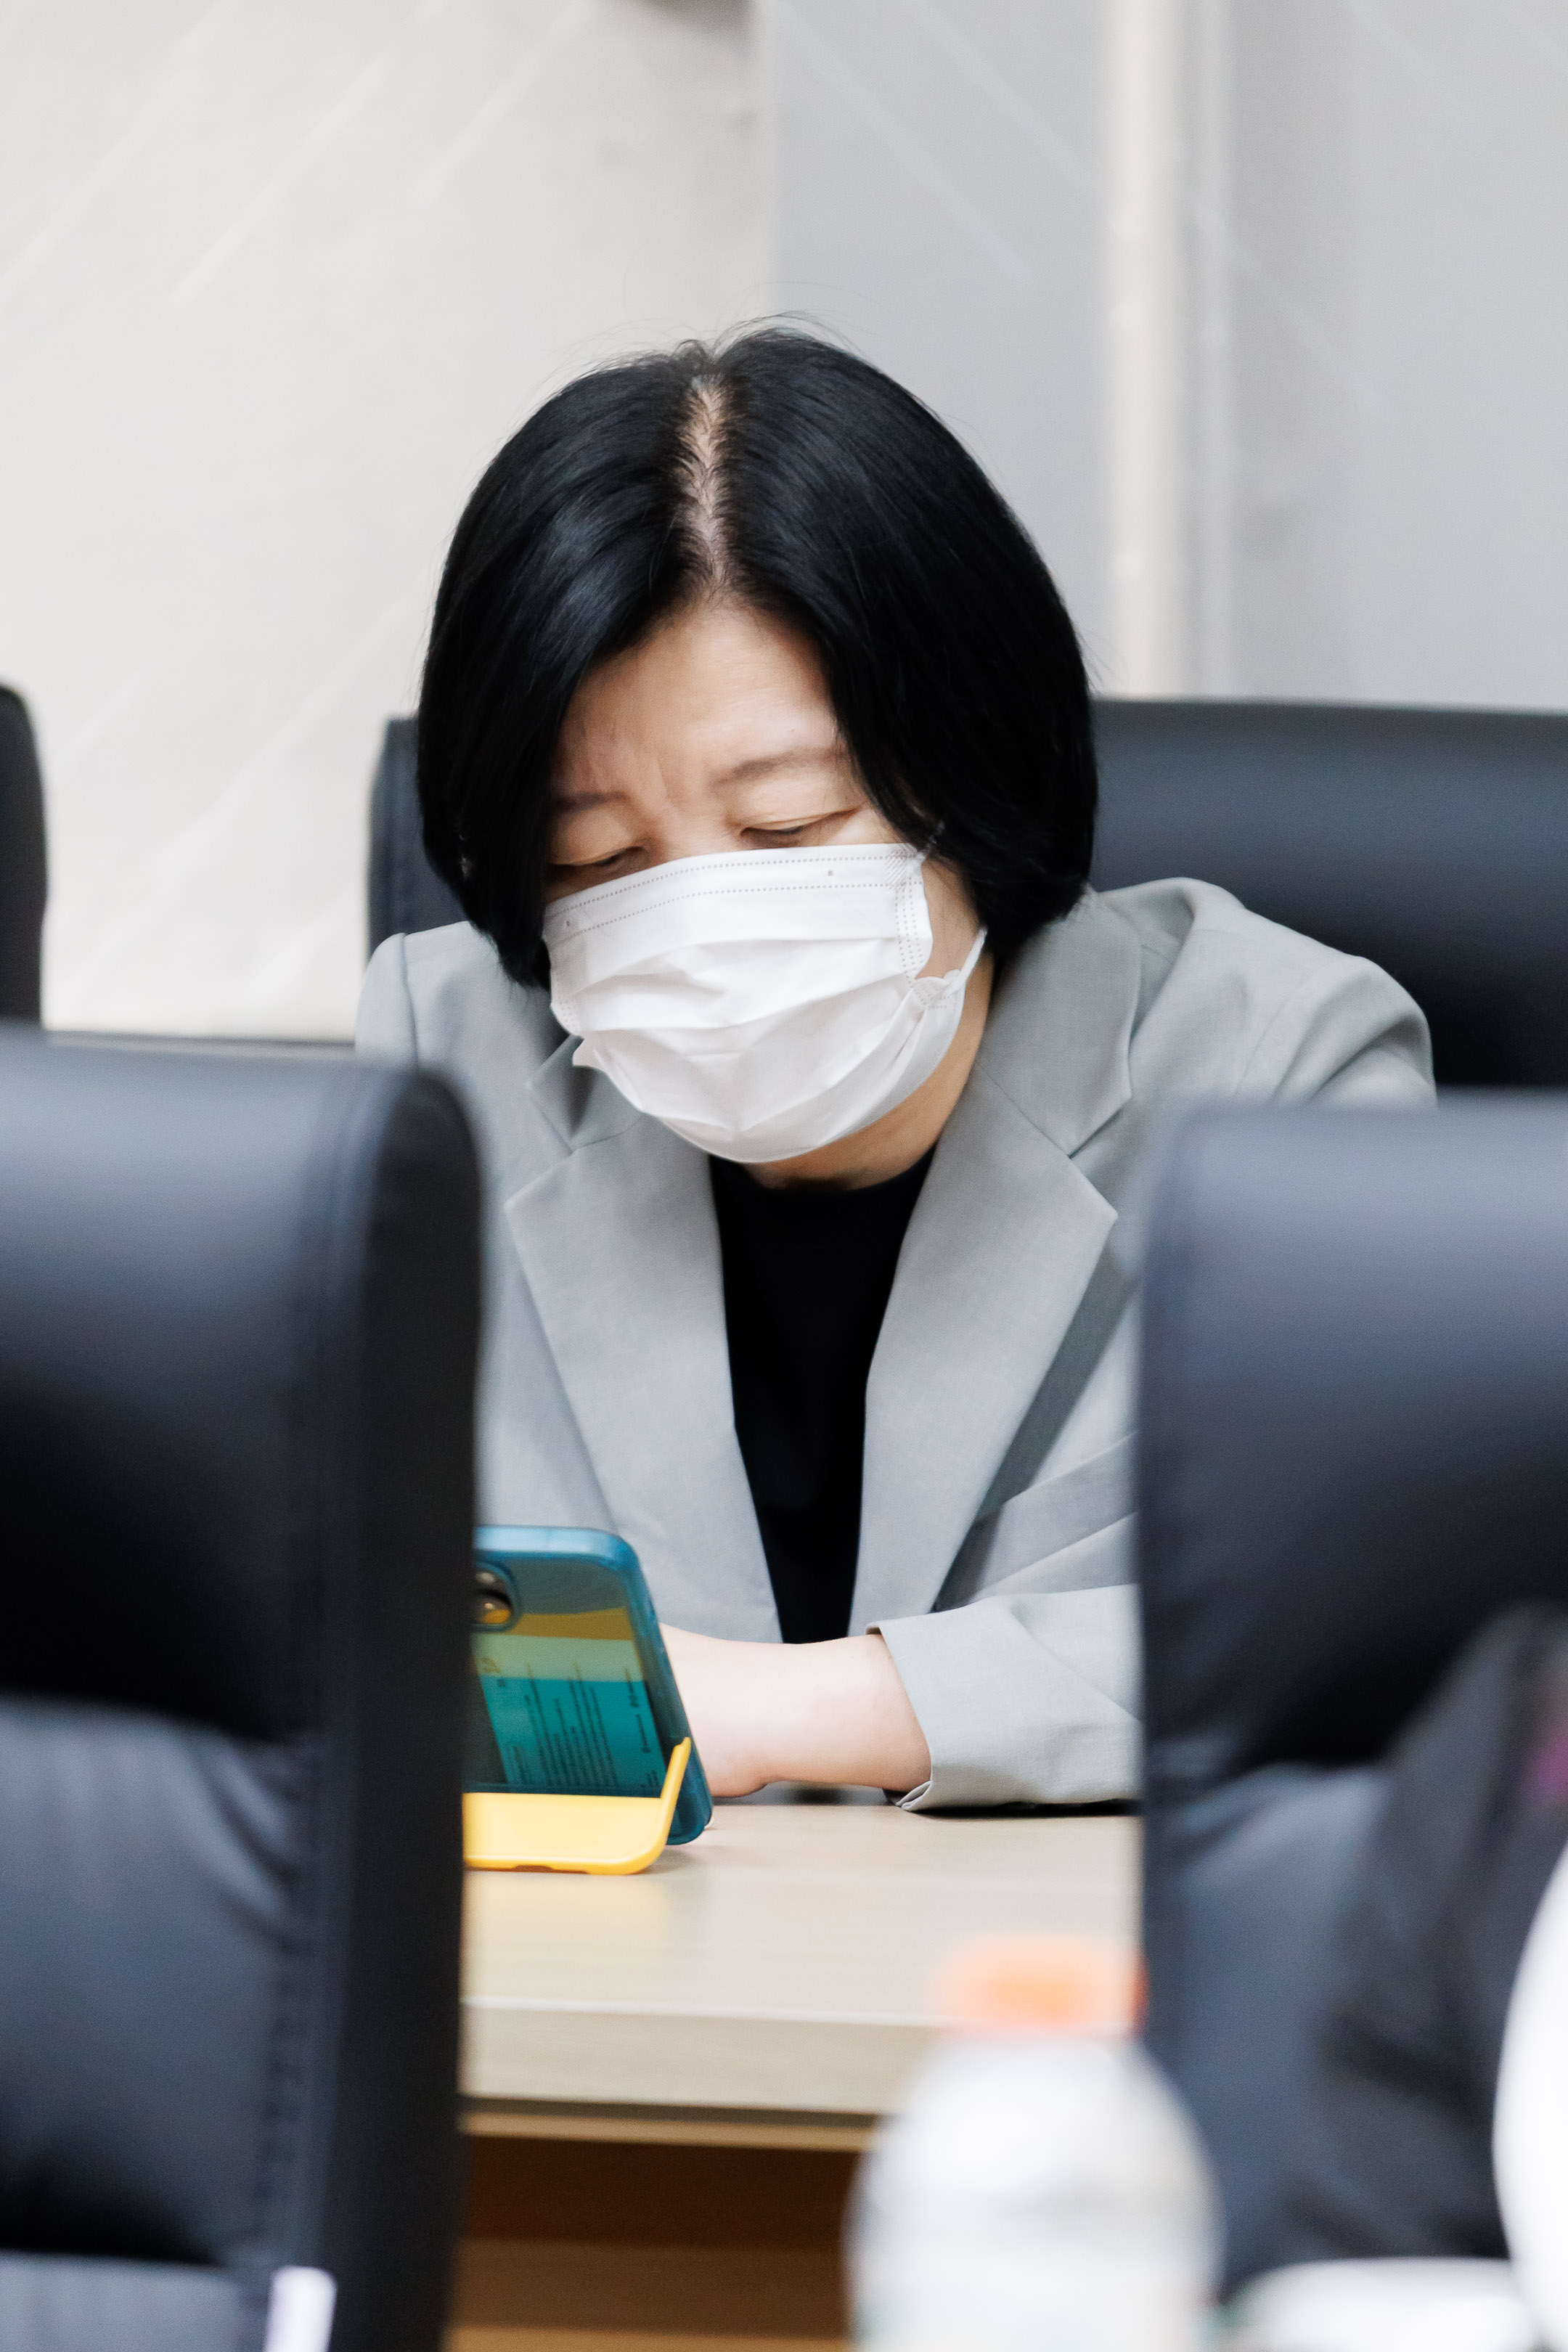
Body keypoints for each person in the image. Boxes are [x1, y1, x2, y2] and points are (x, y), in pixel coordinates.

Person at [357, 328, 1432, 1809]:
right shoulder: (447, 1057)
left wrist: (794, 1710)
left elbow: (1357, 1627)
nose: (696, 923)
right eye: (596, 857)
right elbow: (319, 1582)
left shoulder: (1276, 1070)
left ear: (968, 774)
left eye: (786, 827)